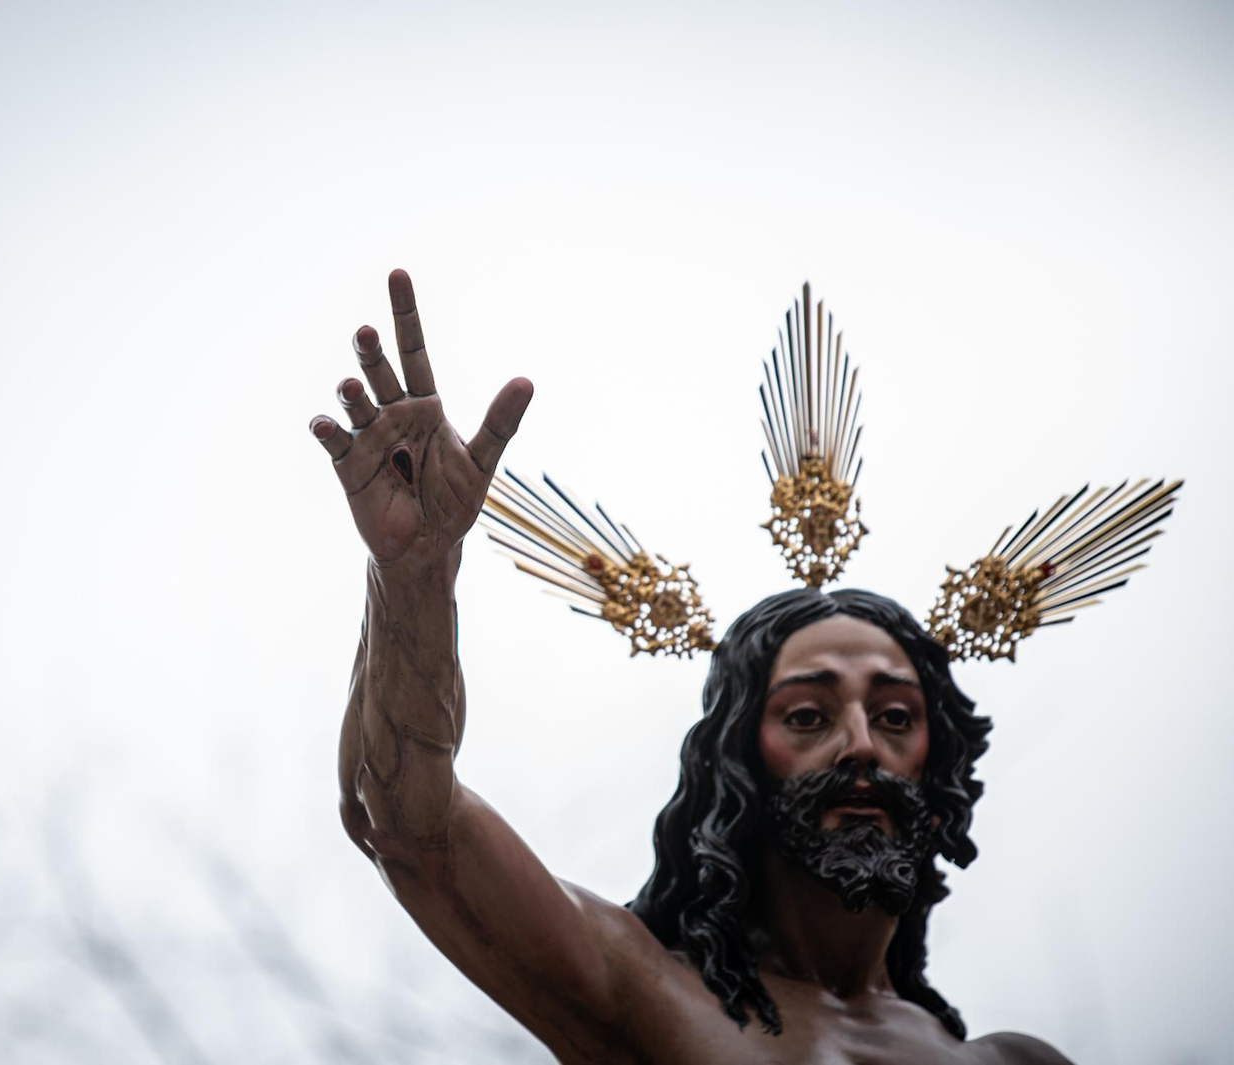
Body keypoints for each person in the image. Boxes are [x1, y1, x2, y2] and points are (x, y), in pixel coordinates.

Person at [309, 269, 1072, 1064]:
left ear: (937, 769)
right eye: (807, 715)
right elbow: (408, 824)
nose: (859, 746)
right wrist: (417, 574)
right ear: (739, 762)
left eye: (895, 718)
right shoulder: (645, 990)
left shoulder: (1014, 1059)